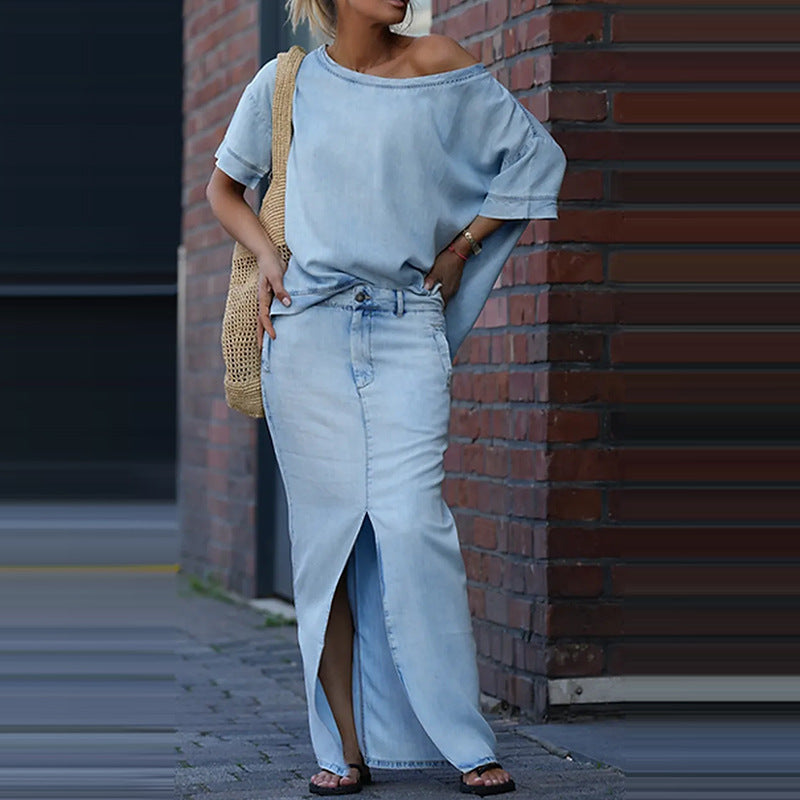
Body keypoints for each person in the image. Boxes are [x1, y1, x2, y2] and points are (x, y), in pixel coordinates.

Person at [206, 1, 567, 795]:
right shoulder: (284, 82)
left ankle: (466, 742)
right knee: (326, 547)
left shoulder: (440, 62)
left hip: (406, 327)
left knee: (411, 522)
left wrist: (464, 248)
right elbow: (224, 188)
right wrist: (268, 256)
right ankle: (343, 752)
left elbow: (537, 159)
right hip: (304, 336)